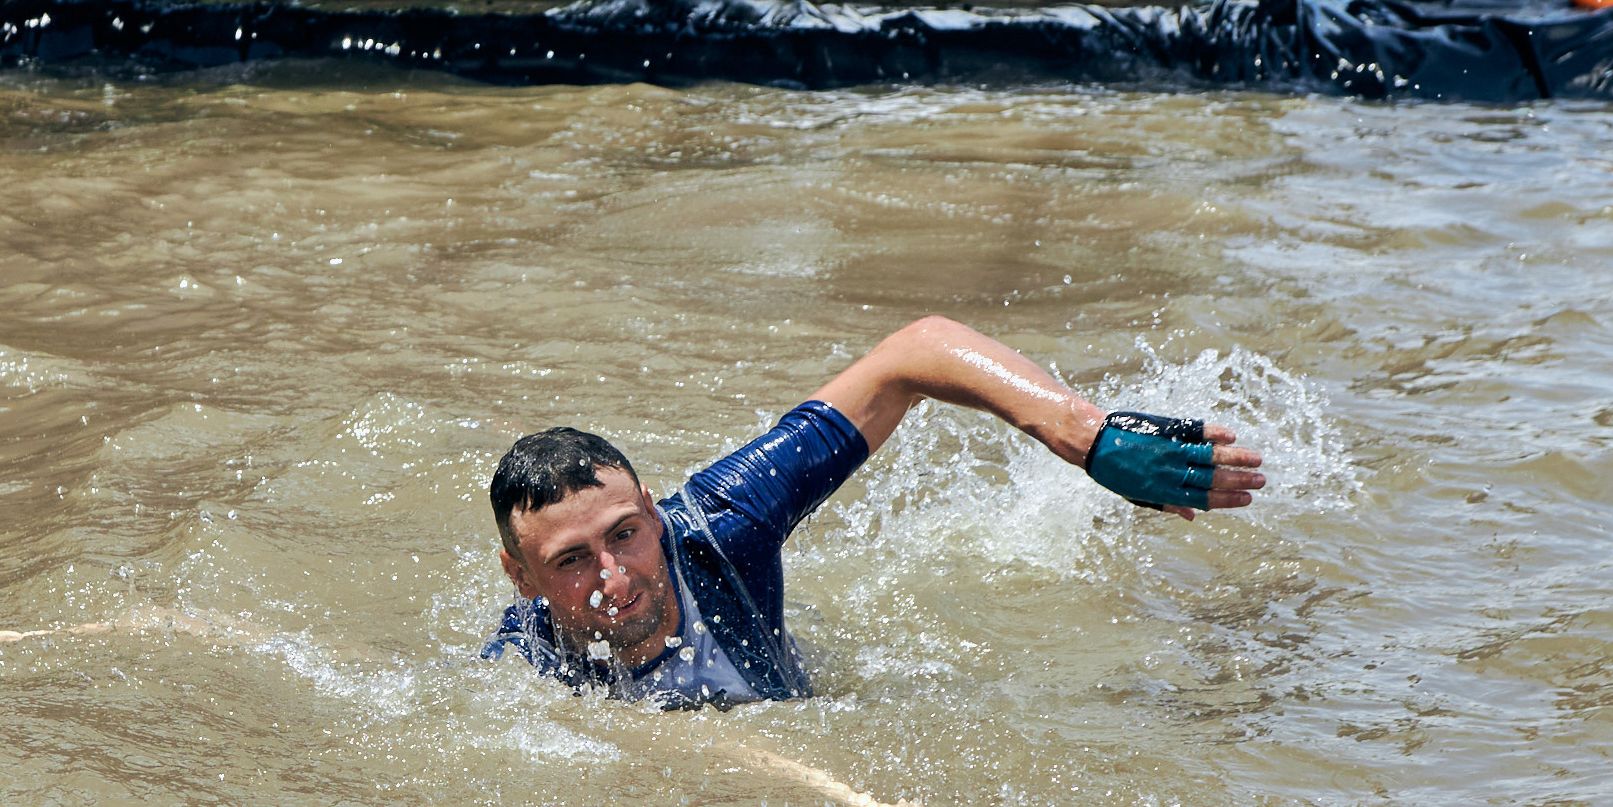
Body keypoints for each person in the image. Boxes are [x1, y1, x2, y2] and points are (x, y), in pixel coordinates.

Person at [481, 315, 1266, 707]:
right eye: (572, 560)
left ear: (655, 514)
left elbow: (914, 353)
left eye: (625, 535)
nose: (614, 578)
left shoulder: (726, 521)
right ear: (523, 579)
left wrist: (1083, 434)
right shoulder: (523, 672)